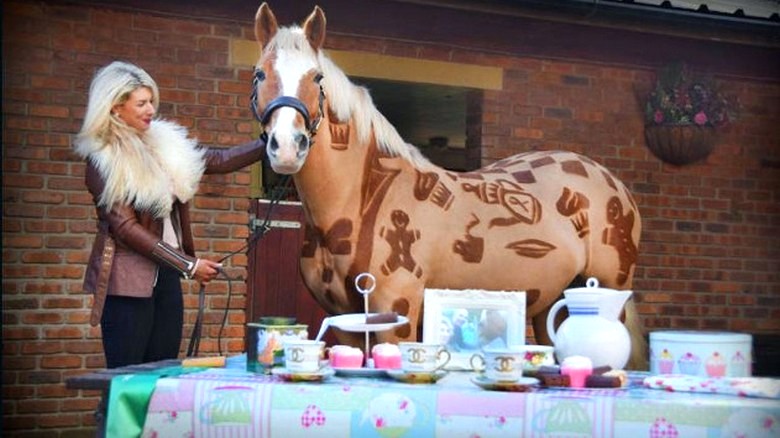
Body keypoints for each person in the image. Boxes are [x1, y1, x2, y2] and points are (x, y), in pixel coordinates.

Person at [74, 61, 265, 368]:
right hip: (128, 282)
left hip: (166, 277)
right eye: (141, 103)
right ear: (115, 108)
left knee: (163, 371)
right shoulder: (104, 158)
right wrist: (188, 265)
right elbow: (125, 228)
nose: (151, 109)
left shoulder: (163, 143)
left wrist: (271, 142)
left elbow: (217, 159)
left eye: (152, 101)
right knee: (127, 375)